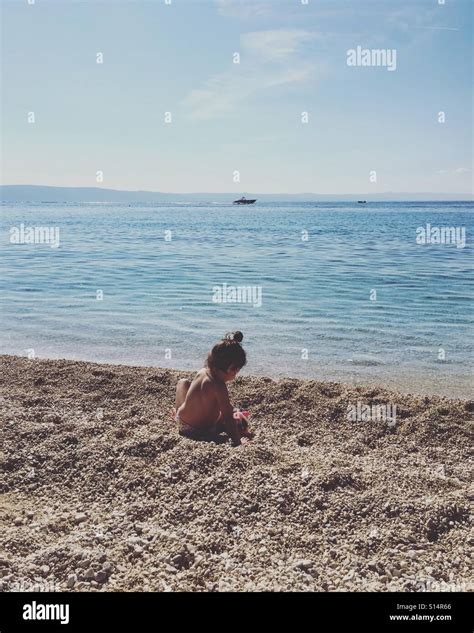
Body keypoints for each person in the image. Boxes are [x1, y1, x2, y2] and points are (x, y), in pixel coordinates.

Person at [174, 331, 251, 446]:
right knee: (232, 417)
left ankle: (176, 413)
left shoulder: (203, 371)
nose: (236, 374)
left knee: (183, 383)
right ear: (232, 369)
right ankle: (240, 426)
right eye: (237, 370)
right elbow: (228, 418)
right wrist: (238, 442)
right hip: (198, 431)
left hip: (181, 422)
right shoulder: (219, 386)